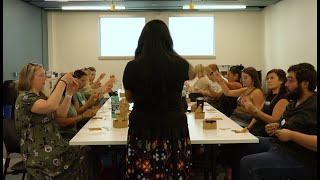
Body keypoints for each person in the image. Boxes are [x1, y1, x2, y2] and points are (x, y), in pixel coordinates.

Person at [123, 19, 195, 179]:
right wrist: (172, 53)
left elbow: (128, 98)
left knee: (144, 170)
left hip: (143, 126)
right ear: (168, 40)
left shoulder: (132, 66)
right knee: (174, 170)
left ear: (142, 40)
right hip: (173, 126)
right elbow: (193, 73)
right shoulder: (181, 64)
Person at [14, 63, 97, 179]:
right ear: (30, 78)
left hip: (54, 144)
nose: (45, 78)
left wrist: (68, 94)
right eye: (41, 75)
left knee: (88, 149)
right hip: (39, 152)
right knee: (85, 151)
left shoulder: (40, 97)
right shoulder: (25, 98)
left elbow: (60, 113)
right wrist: (62, 81)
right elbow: (51, 106)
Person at [239, 63, 317, 179]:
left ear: (305, 83)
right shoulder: (293, 102)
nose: (286, 84)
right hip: (280, 146)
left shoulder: (314, 106)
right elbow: (281, 122)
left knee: (247, 163)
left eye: (290, 81)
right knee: (241, 142)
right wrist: (275, 126)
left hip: (300, 157)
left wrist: (291, 135)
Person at [242, 69, 289, 136]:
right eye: (267, 79)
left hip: (266, 132)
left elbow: (274, 120)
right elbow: (257, 116)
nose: (269, 81)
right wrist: (248, 128)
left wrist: (254, 109)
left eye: (272, 78)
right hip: (257, 128)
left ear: (281, 80)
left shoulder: (283, 98)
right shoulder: (269, 95)